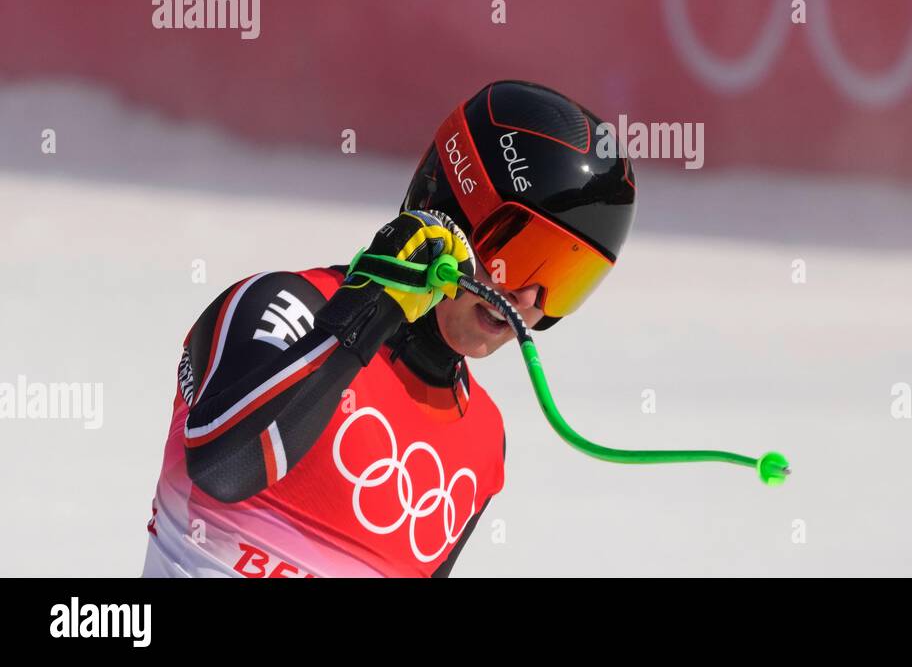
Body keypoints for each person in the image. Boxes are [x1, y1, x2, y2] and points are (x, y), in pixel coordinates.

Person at [142, 80, 636, 577]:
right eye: (523, 255)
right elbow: (225, 467)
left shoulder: (483, 438)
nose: (528, 298)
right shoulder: (286, 305)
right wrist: (369, 309)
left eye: (566, 280)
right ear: (452, 210)